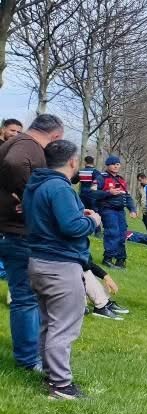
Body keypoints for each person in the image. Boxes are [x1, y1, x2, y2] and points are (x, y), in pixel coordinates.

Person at [24, 139, 100, 399]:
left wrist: (80, 216)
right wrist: (93, 221)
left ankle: (50, 375)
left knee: (49, 324)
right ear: (72, 161)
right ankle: (61, 385)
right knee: (63, 328)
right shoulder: (60, 188)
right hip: (60, 265)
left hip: (38, 261)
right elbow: (72, 228)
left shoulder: (36, 184)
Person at [0, 113, 65, 373]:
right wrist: (30, 197)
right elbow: (16, 164)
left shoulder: (13, 142)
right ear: (55, 136)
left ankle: (30, 353)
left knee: (25, 295)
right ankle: (29, 359)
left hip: (9, 230)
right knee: (26, 298)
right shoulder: (27, 146)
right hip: (17, 233)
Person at [95, 155, 138, 269]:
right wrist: (109, 192)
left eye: (117, 164)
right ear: (108, 165)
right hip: (108, 209)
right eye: (113, 164)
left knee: (122, 234)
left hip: (120, 211)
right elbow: (92, 193)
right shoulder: (101, 178)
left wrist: (132, 209)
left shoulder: (121, 180)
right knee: (112, 233)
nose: (115, 166)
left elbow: (127, 196)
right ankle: (108, 258)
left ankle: (120, 258)